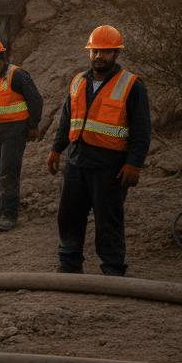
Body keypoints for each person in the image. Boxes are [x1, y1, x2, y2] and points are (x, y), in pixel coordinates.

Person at [46, 25, 151, 276]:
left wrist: (134, 164)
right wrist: (56, 149)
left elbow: (141, 130)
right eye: (95, 51)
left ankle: (113, 268)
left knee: (108, 221)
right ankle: (69, 263)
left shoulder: (132, 86)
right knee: (68, 216)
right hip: (77, 162)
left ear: (116, 54)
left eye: (105, 51)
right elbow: (66, 119)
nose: (98, 56)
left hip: (110, 166)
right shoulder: (78, 82)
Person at [0, 38, 43, 231]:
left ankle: (10, 216)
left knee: (8, 173)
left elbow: (36, 100)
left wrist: (33, 126)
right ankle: (1, 212)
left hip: (15, 131)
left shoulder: (18, 74)